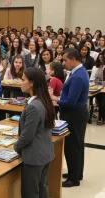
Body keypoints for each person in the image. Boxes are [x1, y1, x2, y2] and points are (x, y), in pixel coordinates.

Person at [14, 67, 55, 198]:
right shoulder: (44, 100)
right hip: (45, 152)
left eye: (23, 80)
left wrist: (16, 147)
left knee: (30, 193)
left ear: (31, 83)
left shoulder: (33, 107)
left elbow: (27, 136)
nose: (20, 82)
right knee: (42, 188)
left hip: (34, 157)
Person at [51, 48, 89, 187]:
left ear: (74, 59)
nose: (63, 63)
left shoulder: (78, 76)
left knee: (73, 147)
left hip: (75, 115)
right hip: (76, 113)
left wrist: (56, 99)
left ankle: (74, 179)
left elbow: (71, 102)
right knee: (78, 146)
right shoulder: (78, 71)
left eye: (65, 60)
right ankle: (76, 172)